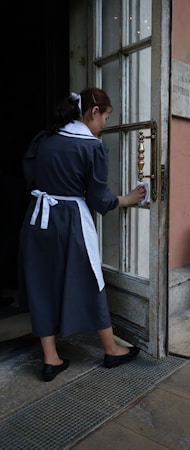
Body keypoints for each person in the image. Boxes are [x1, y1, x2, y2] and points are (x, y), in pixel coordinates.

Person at [18, 87, 146, 382]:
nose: (104, 126)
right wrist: (125, 199)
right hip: (70, 220)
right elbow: (99, 199)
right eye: (105, 119)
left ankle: (51, 359)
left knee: (41, 283)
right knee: (91, 278)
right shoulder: (92, 148)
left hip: (37, 218)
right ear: (93, 113)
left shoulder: (45, 138)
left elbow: (28, 173)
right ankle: (111, 349)